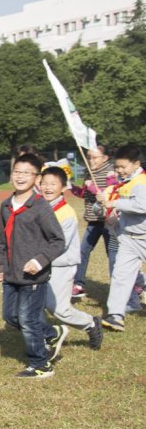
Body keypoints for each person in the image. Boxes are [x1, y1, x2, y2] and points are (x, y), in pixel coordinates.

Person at [0, 153, 65, 379]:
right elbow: (2, 238)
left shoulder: (40, 207)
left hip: (34, 277)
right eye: (17, 172)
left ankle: (41, 364)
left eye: (26, 173)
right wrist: (0, 265)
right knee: (10, 317)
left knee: (28, 319)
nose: (20, 176)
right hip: (11, 274)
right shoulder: (6, 205)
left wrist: (39, 261)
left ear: (36, 179)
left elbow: (58, 241)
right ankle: (51, 331)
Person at [39, 166, 103, 353]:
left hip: (60, 265)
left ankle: (90, 323)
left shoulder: (65, 213)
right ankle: (44, 339)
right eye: (44, 183)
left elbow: (60, 245)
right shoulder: (39, 206)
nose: (48, 188)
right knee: (34, 305)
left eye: (53, 184)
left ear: (63, 187)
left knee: (58, 309)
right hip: (41, 264)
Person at [101, 146, 146, 332]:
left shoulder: (141, 182)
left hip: (144, 237)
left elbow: (142, 206)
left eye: (123, 166)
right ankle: (116, 316)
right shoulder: (125, 181)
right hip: (128, 238)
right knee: (120, 275)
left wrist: (114, 203)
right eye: (116, 166)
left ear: (136, 164)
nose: (119, 170)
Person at [70, 146, 116, 298]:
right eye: (89, 157)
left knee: (113, 255)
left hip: (109, 221)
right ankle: (78, 284)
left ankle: (128, 285)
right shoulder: (89, 172)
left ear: (105, 158)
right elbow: (85, 194)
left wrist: (94, 189)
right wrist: (70, 186)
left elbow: (112, 192)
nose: (90, 160)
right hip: (93, 221)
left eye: (94, 157)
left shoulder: (111, 171)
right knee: (82, 251)